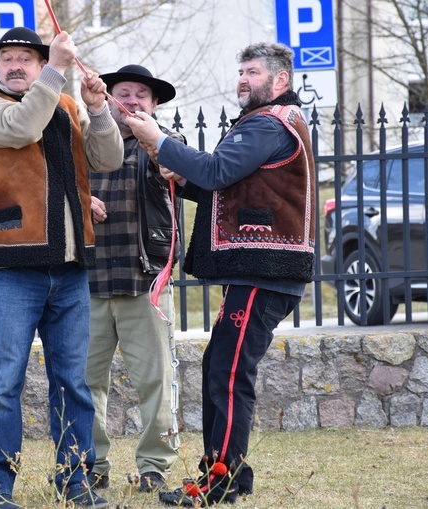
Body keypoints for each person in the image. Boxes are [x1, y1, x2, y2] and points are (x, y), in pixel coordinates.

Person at [127, 42, 316, 506]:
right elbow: (221, 187)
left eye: (253, 72)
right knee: (221, 366)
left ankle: (220, 478)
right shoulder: (263, 125)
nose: (243, 79)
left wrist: (160, 140)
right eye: (241, 72)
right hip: (256, 271)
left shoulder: (271, 124)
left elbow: (217, 170)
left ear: (281, 81)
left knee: (228, 374)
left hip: (264, 271)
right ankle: (231, 471)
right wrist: (181, 175)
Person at [0, 27, 123, 509]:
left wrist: (97, 108)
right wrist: (55, 70)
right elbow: (23, 129)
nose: (15, 65)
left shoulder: (64, 105)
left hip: (70, 268)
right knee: (2, 383)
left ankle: (77, 482)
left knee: (74, 383)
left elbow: (107, 158)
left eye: (26, 58)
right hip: (13, 269)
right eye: (6, 58)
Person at [84, 65, 185, 493]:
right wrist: (79, 200)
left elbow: (187, 177)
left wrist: (168, 164)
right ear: (106, 99)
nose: (132, 99)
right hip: (86, 280)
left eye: (142, 94)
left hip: (147, 281)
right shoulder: (84, 144)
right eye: (122, 91)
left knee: (156, 381)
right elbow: (54, 188)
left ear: (154, 104)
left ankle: (154, 467)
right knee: (85, 382)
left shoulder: (167, 146)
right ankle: (90, 463)